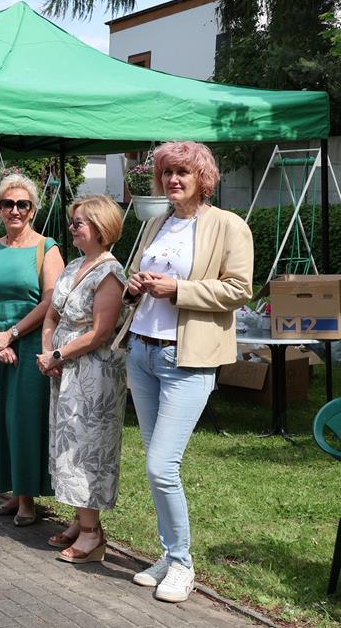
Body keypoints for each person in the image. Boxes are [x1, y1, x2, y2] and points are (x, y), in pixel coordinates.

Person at [116, 141, 252, 603]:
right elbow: (140, 278)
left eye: (183, 173)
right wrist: (136, 285)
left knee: (160, 465)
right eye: (167, 172)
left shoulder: (228, 225)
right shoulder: (157, 222)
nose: (173, 180)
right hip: (143, 353)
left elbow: (239, 289)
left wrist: (180, 289)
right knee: (156, 466)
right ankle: (168, 554)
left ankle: (182, 564)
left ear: (203, 178)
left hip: (186, 360)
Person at [35, 195, 126, 564]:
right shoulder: (74, 265)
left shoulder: (110, 272)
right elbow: (52, 315)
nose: (72, 228)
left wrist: (59, 355)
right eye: (72, 222)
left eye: (79, 223)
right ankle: (81, 521)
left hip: (93, 375)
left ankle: (92, 537)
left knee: (86, 450)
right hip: (64, 370)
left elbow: (101, 333)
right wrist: (47, 352)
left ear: (101, 228)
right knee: (65, 444)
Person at [0, 173, 64, 526]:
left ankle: (27, 499)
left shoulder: (46, 247)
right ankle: (10, 492)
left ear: (33, 209)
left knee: (23, 418)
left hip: (30, 343)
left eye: (22, 204)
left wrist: (11, 335)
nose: (15, 210)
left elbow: (51, 300)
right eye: (8, 204)